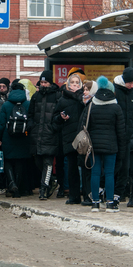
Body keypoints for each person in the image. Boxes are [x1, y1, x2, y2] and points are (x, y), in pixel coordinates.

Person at [78, 76, 126, 212]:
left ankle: (95, 203)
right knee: (110, 173)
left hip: (93, 146)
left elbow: (83, 125)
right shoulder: (116, 107)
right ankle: (110, 202)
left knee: (95, 173)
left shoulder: (91, 105)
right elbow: (121, 132)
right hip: (111, 145)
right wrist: (121, 150)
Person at [0, 82, 32, 198]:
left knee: (8, 162)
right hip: (23, 138)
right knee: (20, 162)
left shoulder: (6, 105)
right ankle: (17, 189)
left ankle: (12, 184)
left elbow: (1, 124)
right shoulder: (28, 104)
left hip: (8, 137)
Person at [28, 70, 63, 200]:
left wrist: (54, 127)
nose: (43, 84)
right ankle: (52, 181)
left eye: (46, 82)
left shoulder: (57, 96)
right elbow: (30, 114)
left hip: (50, 134)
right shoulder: (35, 97)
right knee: (38, 161)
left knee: (48, 163)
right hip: (37, 134)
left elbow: (59, 114)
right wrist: (31, 126)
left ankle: (44, 188)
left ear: (50, 82)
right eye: (42, 82)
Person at [52, 73, 85, 204]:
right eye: (73, 82)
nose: (75, 85)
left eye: (77, 82)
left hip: (84, 138)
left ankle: (87, 195)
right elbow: (54, 119)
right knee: (72, 169)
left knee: (85, 167)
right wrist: (61, 117)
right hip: (70, 138)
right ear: (68, 84)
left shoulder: (84, 98)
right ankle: (74, 196)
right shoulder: (62, 99)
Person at [113, 67, 133, 203]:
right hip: (115, 135)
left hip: (127, 135)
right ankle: (108, 190)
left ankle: (120, 193)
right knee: (114, 165)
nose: (131, 85)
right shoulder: (115, 91)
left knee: (125, 166)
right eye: (130, 82)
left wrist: (132, 127)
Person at [79, 79, 98, 205]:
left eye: (87, 89)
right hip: (85, 142)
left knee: (89, 169)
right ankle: (86, 194)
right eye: (84, 89)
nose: (85, 92)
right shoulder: (85, 104)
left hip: (90, 142)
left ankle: (89, 195)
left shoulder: (92, 104)